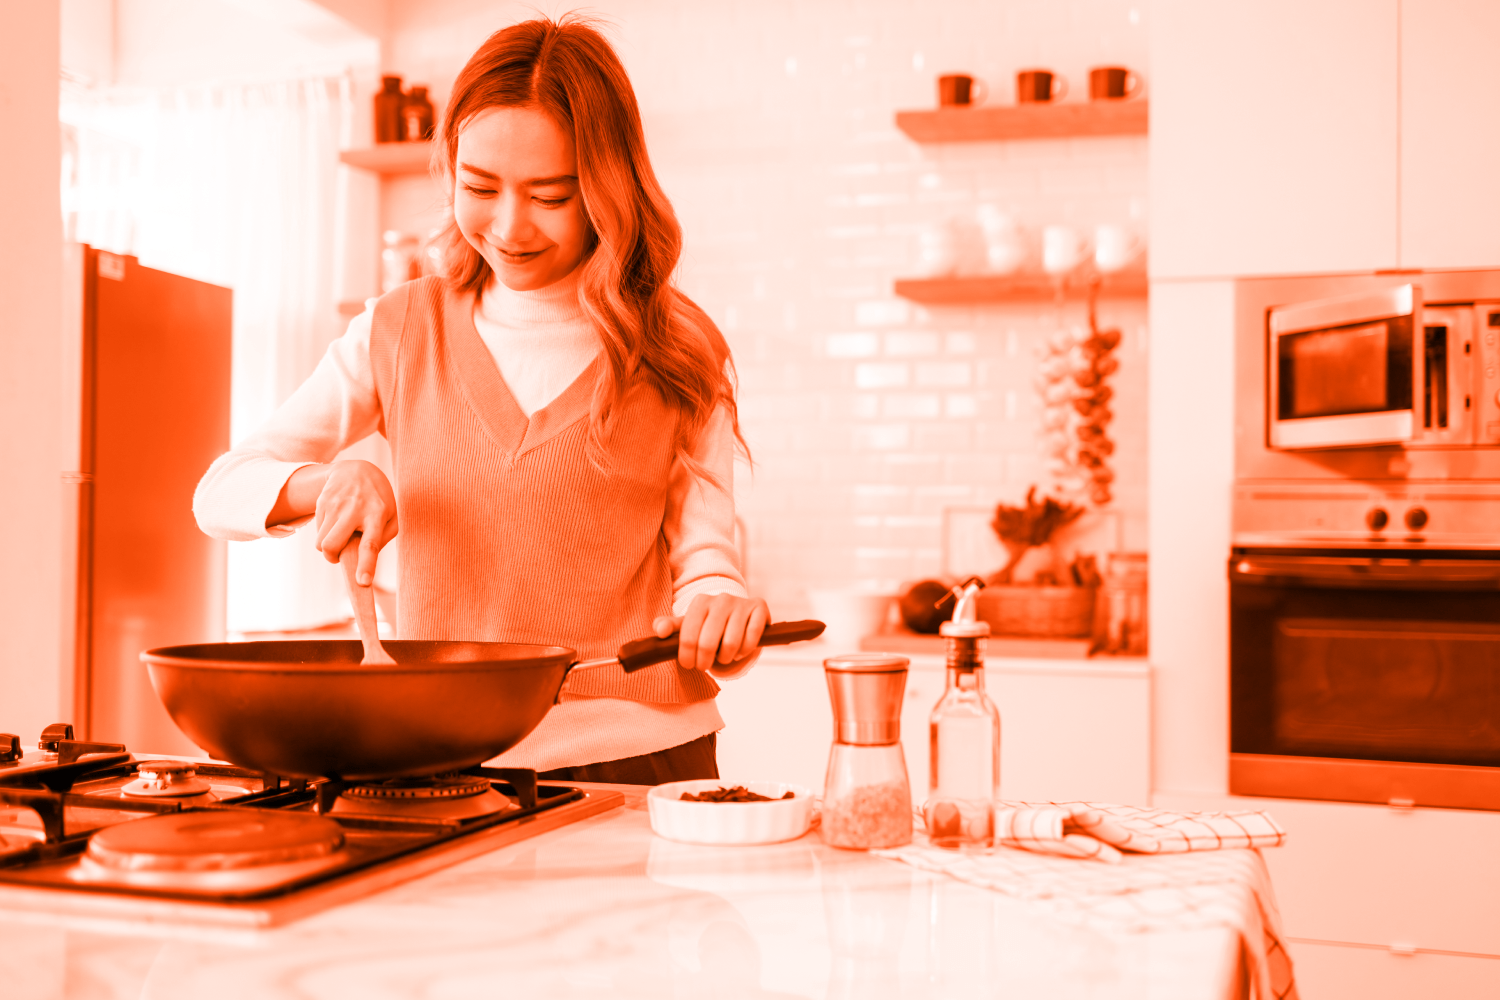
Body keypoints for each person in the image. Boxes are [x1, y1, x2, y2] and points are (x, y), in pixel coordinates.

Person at [193, 15, 766, 784]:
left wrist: (720, 605)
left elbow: (706, 561)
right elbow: (220, 491)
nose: (509, 226)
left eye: (551, 195)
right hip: (442, 757)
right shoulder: (401, 329)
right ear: (450, 173)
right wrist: (329, 481)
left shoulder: (676, 346)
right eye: (480, 188)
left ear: (609, 187)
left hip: (639, 754)